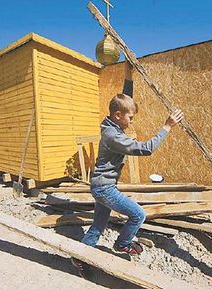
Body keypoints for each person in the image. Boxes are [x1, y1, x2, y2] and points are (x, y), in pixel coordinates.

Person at [71, 61, 184, 275]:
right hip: (104, 188)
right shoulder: (113, 136)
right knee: (138, 215)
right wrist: (167, 126)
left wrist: (129, 76)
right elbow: (147, 149)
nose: (131, 122)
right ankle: (122, 244)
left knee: (97, 227)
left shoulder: (113, 124)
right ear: (118, 116)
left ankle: (78, 256)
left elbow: (125, 101)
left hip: (101, 185)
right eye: (130, 118)